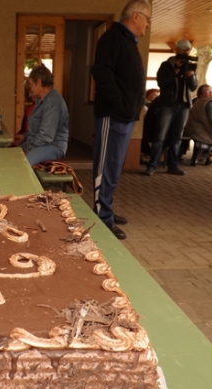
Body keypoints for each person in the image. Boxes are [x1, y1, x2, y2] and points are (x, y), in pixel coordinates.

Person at [92, 0, 150, 240]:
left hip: (125, 117)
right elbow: (102, 74)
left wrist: (134, 106)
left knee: (115, 167)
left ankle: (107, 208)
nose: (148, 24)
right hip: (113, 115)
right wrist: (121, 104)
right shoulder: (112, 38)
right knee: (106, 166)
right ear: (136, 16)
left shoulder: (130, 42)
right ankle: (102, 216)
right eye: (147, 18)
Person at [144, 39, 198, 176]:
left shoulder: (190, 66)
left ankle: (173, 165)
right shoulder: (166, 65)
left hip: (184, 105)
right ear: (177, 50)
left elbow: (193, 87)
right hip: (167, 104)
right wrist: (175, 71)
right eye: (182, 50)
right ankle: (152, 165)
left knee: (177, 137)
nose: (185, 53)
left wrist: (190, 76)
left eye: (187, 50)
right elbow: (161, 83)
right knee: (160, 136)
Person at [12, 65, 68, 167]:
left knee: (22, 164)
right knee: (11, 155)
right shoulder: (40, 100)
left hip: (53, 146)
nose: (30, 88)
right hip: (38, 144)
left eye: (31, 84)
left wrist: (28, 149)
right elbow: (37, 128)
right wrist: (24, 136)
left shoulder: (53, 103)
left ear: (39, 83)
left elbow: (45, 136)